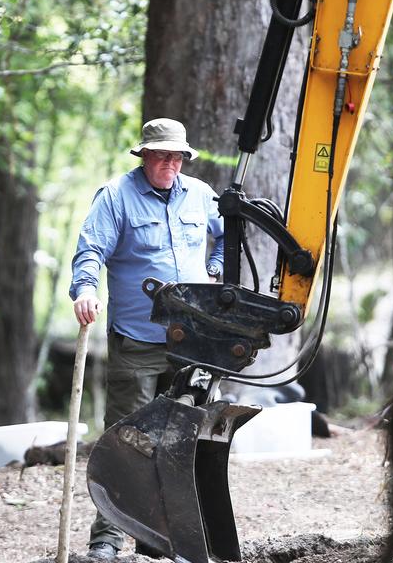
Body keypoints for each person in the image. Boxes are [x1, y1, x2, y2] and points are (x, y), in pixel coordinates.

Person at [69, 117, 224, 560]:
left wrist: (214, 267)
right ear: (144, 156)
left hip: (191, 342)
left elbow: (227, 235)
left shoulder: (199, 195)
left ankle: (164, 540)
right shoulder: (116, 196)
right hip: (137, 340)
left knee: (182, 441)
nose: (170, 164)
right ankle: (107, 540)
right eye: (162, 156)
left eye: (177, 156)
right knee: (128, 441)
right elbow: (90, 249)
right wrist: (85, 289)